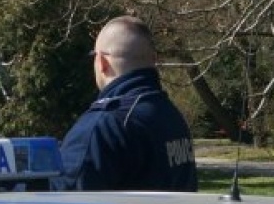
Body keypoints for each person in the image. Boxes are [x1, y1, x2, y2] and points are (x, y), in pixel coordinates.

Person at [51, 16, 198, 192]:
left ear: (102, 62)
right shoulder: (169, 115)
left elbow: (66, 203)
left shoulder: (104, 126)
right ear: (154, 60)